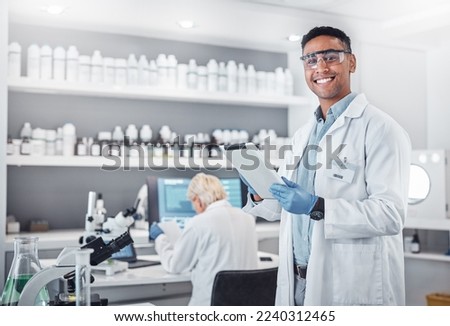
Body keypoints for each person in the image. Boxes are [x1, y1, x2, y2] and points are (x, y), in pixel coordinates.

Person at [242, 26, 411, 306]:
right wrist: (262, 193)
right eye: (310, 60)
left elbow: (390, 214)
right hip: (297, 282)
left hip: (350, 284)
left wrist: (317, 206)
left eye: (331, 56)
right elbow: (286, 207)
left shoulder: (381, 129)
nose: (320, 66)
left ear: (351, 62)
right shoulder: (302, 135)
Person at [149, 172, 259, 306]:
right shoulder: (247, 218)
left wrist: (160, 238)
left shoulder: (199, 222)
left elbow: (175, 265)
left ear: (198, 200)